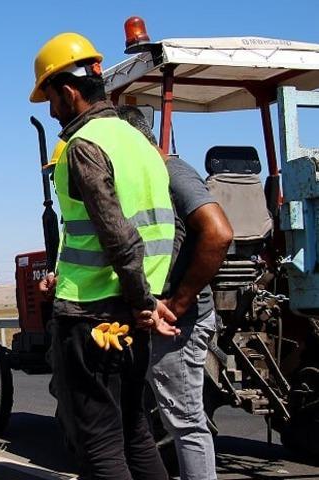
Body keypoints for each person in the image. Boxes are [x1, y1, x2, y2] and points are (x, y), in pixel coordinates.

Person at [30, 32, 179, 479]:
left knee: (99, 445)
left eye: (51, 100)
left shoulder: (84, 147)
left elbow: (119, 237)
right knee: (135, 432)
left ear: (68, 91)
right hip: (135, 311)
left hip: (94, 316)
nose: (52, 112)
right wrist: (149, 300)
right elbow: (169, 229)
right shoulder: (140, 145)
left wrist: (140, 301)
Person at [118, 105, 233, 480]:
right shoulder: (153, 178)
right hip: (161, 317)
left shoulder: (173, 173)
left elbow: (218, 233)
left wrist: (178, 302)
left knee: (186, 423)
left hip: (180, 321)